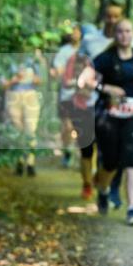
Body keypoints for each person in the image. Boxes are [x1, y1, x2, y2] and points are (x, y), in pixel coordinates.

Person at [77, 19, 133, 225]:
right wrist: (106, 89)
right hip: (108, 117)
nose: (124, 35)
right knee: (111, 162)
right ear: (115, 35)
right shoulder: (104, 58)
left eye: (128, 31)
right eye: (120, 32)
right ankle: (103, 189)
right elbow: (85, 80)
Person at [81, 0, 133, 208]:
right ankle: (99, 185)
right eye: (109, 16)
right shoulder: (91, 41)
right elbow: (82, 72)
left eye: (116, 16)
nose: (112, 20)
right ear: (104, 17)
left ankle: (113, 191)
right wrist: (102, 88)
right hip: (94, 104)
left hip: (127, 109)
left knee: (122, 154)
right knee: (101, 152)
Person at [2, 50, 45, 177]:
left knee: (30, 130)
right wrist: (14, 79)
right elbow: (3, 84)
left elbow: (40, 80)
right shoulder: (8, 61)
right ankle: (19, 161)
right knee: (17, 130)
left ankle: (30, 163)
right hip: (13, 96)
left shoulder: (32, 61)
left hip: (30, 96)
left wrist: (31, 75)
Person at [52, 25, 83, 168]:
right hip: (66, 95)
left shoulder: (86, 49)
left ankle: (82, 155)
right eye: (72, 31)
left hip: (84, 96)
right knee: (68, 127)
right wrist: (57, 72)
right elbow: (57, 69)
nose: (74, 34)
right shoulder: (63, 51)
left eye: (77, 31)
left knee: (82, 127)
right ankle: (67, 152)